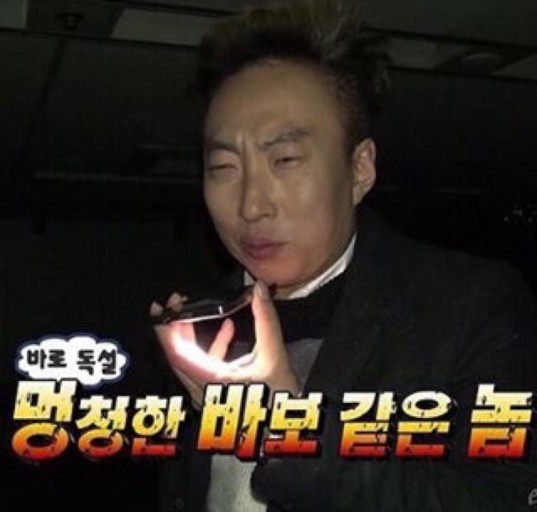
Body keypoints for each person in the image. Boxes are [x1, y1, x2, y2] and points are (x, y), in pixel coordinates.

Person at [150, 1, 537, 510]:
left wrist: (288, 430)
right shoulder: (205, 327)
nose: (251, 205)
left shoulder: (470, 305)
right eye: (223, 167)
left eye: (285, 159)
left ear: (359, 170)